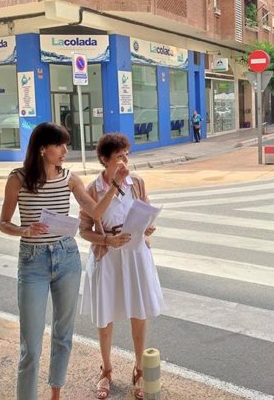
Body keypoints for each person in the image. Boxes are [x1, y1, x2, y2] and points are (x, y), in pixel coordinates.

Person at [0, 122, 129, 400]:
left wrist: (115, 185)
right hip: (32, 262)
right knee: (31, 345)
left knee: (63, 334)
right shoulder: (18, 179)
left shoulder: (70, 178)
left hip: (66, 257)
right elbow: (3, 223)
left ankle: (56, 394)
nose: (65, 150)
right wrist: (24, 230)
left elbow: (94, 211)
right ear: (43, 148)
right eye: (60, 145)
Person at [79, 133, 165, 400]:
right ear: (105, 160)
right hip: (107, 256)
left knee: (138, 312)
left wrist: (148, 227)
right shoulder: (93, 188)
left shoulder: (136, 182)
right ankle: (106, 370)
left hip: (135, 255)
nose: (125, 161)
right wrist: (107, 239)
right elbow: (84, 229)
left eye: (126, 154)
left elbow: (145, 211)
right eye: (119, 156)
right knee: (105, 316)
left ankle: (139, 369)